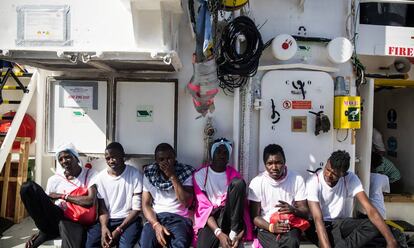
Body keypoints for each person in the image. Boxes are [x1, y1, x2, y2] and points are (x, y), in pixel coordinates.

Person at [306, 150, 397, 248]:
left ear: (343, 174)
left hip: (340, 223)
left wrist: (391, 241)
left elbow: (370, 210)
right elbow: (317, 219)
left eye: (334, 174)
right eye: (327, 170)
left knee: (374, 225)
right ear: (327, 162)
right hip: (318, 226)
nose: (328, 175)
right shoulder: (313, 182)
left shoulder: (350, 178)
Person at [20, 143, 98, 248]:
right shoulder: (54, 180)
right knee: (28, 187)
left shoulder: (90, 174)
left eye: (67, 157)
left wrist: (62, 196)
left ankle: (47, 232)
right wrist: (41, 230)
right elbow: (46, 208)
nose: (64, 161)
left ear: (76, 157)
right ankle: (45, 230)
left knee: (66, 229)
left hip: (75, 221)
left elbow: (89, 201)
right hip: (58, 216)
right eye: (60, 159)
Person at [193, 138, 253, 248]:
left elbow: (240, 206)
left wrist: (238, 235)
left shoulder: (234, 174)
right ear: (212, 155)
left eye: (225, 153)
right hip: (210, 218)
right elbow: (204, 208)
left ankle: (233, 232)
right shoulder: (200, 175)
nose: (222, 155)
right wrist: (218, 233)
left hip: (228, 215)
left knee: (239, 183)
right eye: (218, 152)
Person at [248, 144, 309, 248]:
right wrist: (271, 227)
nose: (274, 167)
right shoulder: (257, 182)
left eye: (278, 162)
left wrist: (293, 210)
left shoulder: (296, 179)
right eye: (270, 163)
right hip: (266, 227)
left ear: (284, 162)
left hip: (289, 226)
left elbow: (305, 212)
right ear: (265, 164)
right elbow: (254, 217)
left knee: (292, 241)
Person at [86, 142, 143, 248]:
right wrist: (104, 228)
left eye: (114, 157)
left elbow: (136, 210)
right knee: (91, 244)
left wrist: (118, 230)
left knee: (125, 245)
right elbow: (102, 209)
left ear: (123, 156)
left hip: (129, 221)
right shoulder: (100, 178)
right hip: (107, 221)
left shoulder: (135, 175)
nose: (111, 161)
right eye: (108, 158)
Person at [140, 143, 195, 248]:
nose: (165, 162)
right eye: (161, 159)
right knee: (145, 244)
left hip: (179, 218)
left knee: (180, 244)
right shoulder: (149, 173)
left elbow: (186, 202)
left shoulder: (186, 171)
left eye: (169, 158)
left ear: (175, 158)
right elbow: (146, 204)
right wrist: (156, 225)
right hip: (157, 217)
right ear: (156, 160)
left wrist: (173, 176)